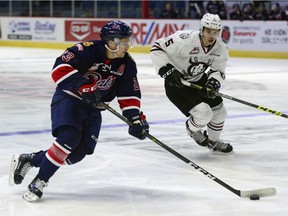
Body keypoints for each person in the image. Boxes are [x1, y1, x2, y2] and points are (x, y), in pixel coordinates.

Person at [9, 20, 149, 202]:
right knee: (69, 138)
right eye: (123, 42)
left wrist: (135, 119)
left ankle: (31, 159)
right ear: (111, 42)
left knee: (79, 153)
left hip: (94, 107)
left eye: (128, 41)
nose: (127, 46)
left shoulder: (127, 64)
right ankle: (39, 182)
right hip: (69, 99)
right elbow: (59, 69)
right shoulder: (86, 49)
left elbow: (129, 93)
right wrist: (84, 87)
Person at [150, 13, 233, 154]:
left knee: (220, 112)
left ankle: (213, 143)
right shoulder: (184, 39)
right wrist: (166, 70)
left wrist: (213, 82)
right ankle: (192, 129)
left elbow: (218, 70)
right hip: (177, 85)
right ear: (201, 30)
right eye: (208, 31)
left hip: (198, 79)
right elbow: (157, 48)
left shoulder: (220, 48)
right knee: (204, 113)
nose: (212, 35)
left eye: (215, 32)